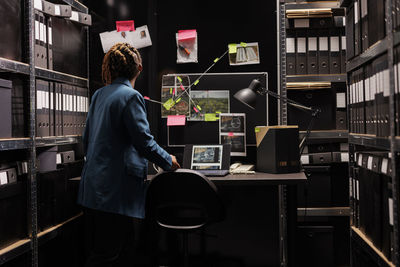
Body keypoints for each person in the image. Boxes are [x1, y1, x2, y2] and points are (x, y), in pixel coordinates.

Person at [77, 42, 180, 266]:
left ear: (110, 68)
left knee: (102, 253)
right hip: (115, 193)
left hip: (93, 189)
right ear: (139, 69)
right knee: (114, 255)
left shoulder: (99, 95)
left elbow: (86, 139)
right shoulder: (131, 97)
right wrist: (168, 161)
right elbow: (144, 142)